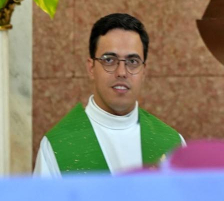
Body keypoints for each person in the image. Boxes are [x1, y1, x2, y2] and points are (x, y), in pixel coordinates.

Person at [34, 13, 184, 177]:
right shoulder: (56, 147)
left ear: (143, 71)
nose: (122, 72)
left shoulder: (174, 146)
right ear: (91, 68)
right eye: (109, 60)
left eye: (132, 62)